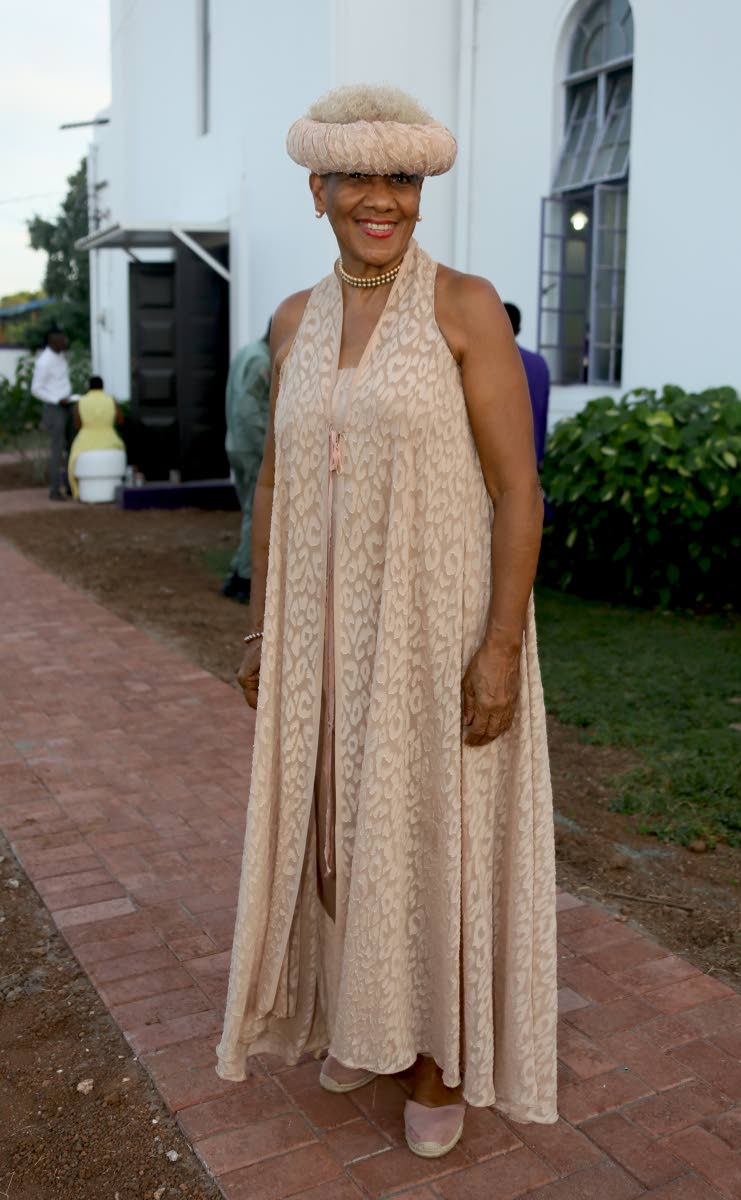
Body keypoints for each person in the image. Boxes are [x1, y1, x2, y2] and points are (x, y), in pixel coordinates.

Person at [215, 84, 558, 1158]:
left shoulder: (464, 306)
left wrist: (497, 647)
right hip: (323, 636)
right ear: (317, 189)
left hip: (435, 630)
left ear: (420, 191)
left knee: (428, 835)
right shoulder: (292, 321)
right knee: (335, 833)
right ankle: (367, 1021)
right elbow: (275, 482)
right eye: (357, 177)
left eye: (401, 179)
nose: (382, 198)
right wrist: (265, 630)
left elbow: (518, 491)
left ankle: (436, 1061)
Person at [221, 325, 272, 604]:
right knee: (257, 513)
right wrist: (267, 449)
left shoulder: (246, 352)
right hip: (251, 447)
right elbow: (248, 408)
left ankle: (235, 574)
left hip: (236, 443)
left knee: (250, 512)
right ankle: (243, 578)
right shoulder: (261, 360)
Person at [504, 303, 550, 467]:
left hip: (498, 461)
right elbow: (543, 414)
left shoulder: (485, 363)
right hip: (531, 457)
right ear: (519, 329)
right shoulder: (539, 364)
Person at [67, 375, 126, 500]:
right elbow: (121, 421)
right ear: (103, 387)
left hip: (85, 441)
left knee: (72, 460)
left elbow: (77, 424)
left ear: (89, 387)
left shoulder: (81, 401)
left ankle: (75, 491)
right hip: (110, 440)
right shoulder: (111, 400)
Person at [31, 329, 73, 500]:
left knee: (71, 448)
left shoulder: (61, 356)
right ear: (51, 341)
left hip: (67, 405)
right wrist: (56, 399)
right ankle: (54, 490)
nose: (65, 342)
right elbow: (36, 389)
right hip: (55, 408)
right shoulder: (44, 361)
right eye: (62, 340)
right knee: (57, 449)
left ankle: (70, 487)